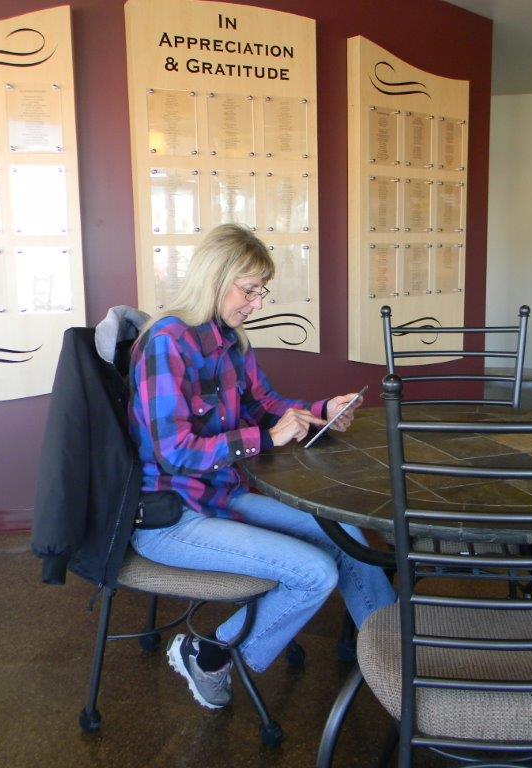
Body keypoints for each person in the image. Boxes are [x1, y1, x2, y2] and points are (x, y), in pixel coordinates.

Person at [127, 223, 396, 709]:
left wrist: (320, 413)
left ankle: (396, 657)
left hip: (221, 499)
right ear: (215, 279)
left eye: (261, 292)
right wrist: (265, 439)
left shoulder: (232, 343)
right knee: (316, 572)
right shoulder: (165, 342)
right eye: (249, 290)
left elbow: (267, 404)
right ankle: (208, 654)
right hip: (172, 517)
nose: (257, 303)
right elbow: (174, 451)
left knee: (350, 539)